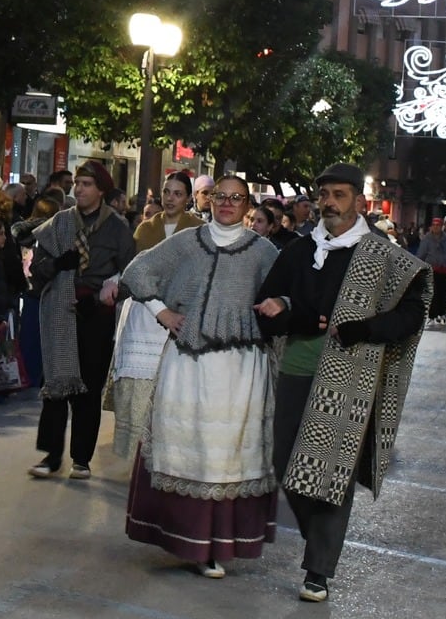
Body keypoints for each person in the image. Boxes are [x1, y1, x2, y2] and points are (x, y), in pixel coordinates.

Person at [254, 162, 429, 603]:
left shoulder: (381, 252)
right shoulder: (298, 250)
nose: (329, 202)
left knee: (333, 472)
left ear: (358, 201)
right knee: (285, 465)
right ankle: (319, 541)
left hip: (351, 374)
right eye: (324, 194)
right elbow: (267, 303)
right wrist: (285, 312)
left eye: (339, 194)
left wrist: (365, 328)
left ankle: (319, 568)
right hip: (296, 365)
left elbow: (413, 311)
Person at [119, 174, 281, 577]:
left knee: (226, 453)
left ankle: (216, 544)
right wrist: (162, 311)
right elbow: (137, 272)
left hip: (241, 370)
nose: (227, 203)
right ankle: (186, 538)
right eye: (220, 196)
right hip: (188, 366)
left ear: (248, 205)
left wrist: (281, 301)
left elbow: (287, 291)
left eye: (236, 198)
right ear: (208, 201)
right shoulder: (186, 243)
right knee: (188, 444)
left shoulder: (264, 251)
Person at [27, 160, 137, 480]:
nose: (80, 189)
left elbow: (131, 275)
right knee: (57, 385)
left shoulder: (117, 228)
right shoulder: (58, 223)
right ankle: (50, 456)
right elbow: (36, 269)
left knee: (88, 388)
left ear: (101, 190)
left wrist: (108, 294)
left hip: (95, 314)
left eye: (87, 184)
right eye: (78, 183)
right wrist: (58, 264)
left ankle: (81, 458)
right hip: (60, 310)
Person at [105, 171, 204, 456]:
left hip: (180, 310)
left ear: (187, 198)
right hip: (144, 312)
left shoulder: (198, 229)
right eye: (167, 192)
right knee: (140, 385)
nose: (170, 198)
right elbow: (131, 269)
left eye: (177, 193)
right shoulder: (145, 229)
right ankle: (136, 448)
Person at [415, 218, 446, 326]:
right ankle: (432, 315)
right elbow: (421, 254)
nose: (436, 227)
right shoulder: (426, 239)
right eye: (434, 225)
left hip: (444, 269)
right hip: (431, 269)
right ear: (431, 227)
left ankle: (442, 313)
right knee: (433, 293)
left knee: (443, 292)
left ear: (442, 226)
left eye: (438, 225)